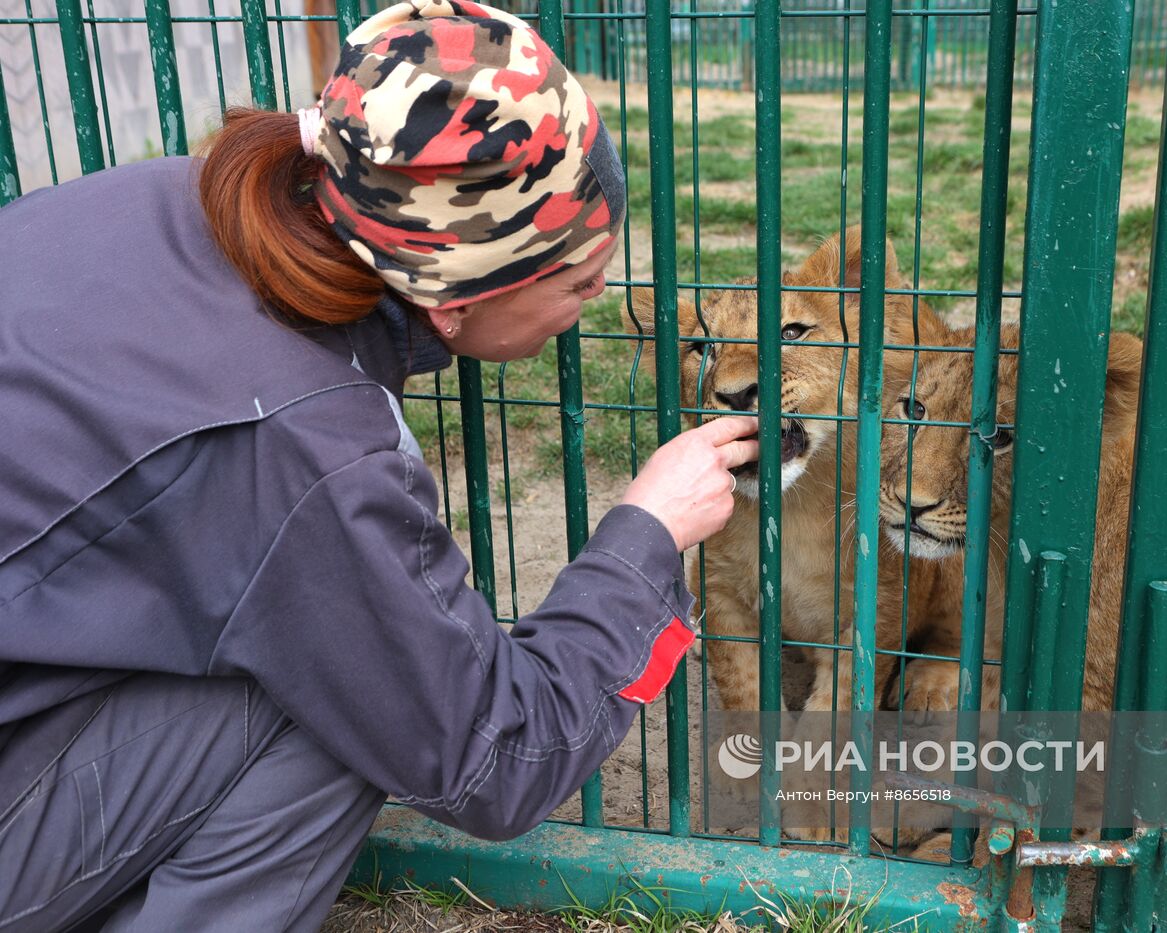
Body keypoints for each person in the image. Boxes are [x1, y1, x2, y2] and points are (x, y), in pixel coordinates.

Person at [0, 2, 757, 930]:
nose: (597, 299)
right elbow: (493, 759)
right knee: (346, 704)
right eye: (577, 280)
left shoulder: (170, 195)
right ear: (452, 296)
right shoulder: (305, 440)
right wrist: (646, 538)